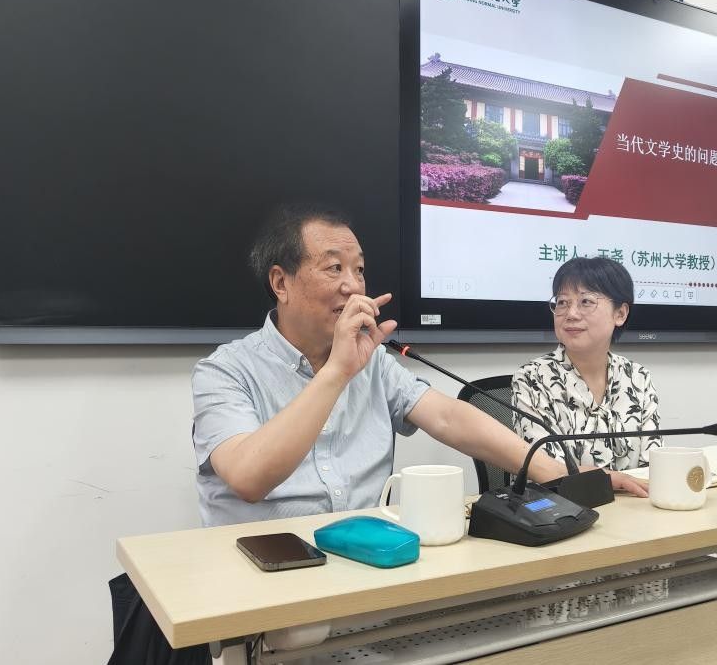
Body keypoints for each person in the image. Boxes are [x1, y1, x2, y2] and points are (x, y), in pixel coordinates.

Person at [191, 204, 580, 526]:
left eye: (359, 269)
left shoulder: (374, 362)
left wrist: (560, 476)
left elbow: (448, 418)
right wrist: (337, 372)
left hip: (369, 559)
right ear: (281, 283)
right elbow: (248, 478)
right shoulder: (225, 371)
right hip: (264, 570)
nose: (354, 286)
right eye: (334, 268)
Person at [512, 257, 661, 497]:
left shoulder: (638, 377)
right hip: (565, 510)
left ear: (620, 313)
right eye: (562, 302)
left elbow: (651, 466)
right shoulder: (532, 378)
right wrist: (611, 480)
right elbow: (548, 474)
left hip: (635, 507)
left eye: (586, 302)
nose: (570, 313)